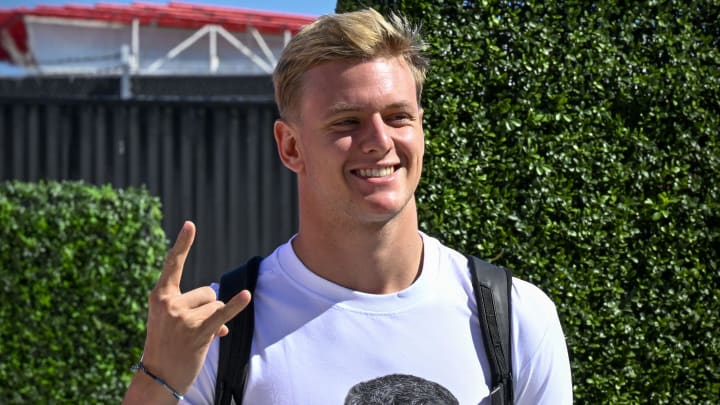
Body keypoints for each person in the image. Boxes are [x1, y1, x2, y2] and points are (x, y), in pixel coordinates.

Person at [123, 8, 572, 405]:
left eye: (399, 117)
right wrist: (156, 381)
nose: (380, 141)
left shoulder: (516, 319)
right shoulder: (218, 335)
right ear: (291, 146)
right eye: (347, 122)